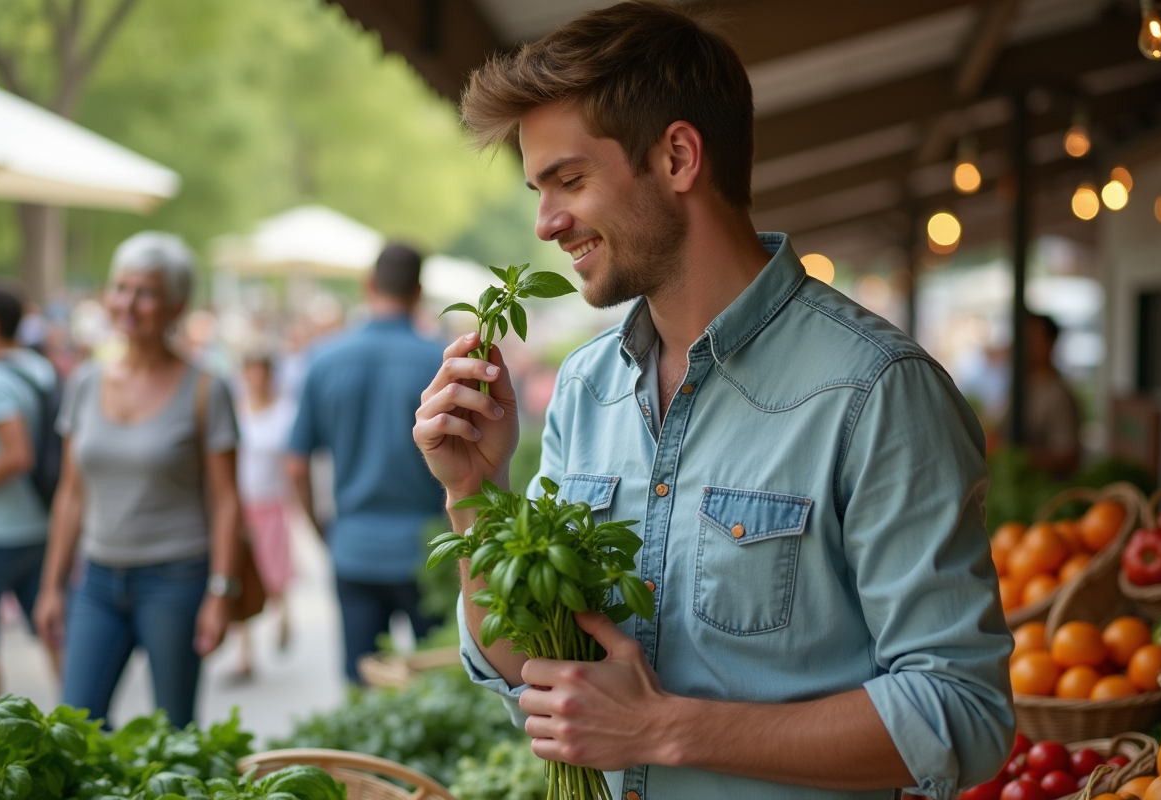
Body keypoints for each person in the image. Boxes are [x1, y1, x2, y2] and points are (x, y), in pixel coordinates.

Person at [412, 3, 1015, 799]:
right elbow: (532, 665)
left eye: (570, 179)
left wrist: (666, 727)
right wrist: (473, 494)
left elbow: (962, 712)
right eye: (539, 188)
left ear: (678, 157)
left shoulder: (877, 392)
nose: (548, 222)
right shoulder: (587, 389)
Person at [33, 232, 242, 729]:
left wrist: (219, 592)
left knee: (174, 734)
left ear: (175, 305)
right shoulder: (84, 382)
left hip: (177, 579)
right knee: (75, 727)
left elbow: (226, 500)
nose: (128, 303)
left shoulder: (206, 390)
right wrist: (51, 586)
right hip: (98, 581)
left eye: (145, 292)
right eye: (121, 288)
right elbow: (71, 491)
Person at [287, 243, 445, 684]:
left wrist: (323, 530)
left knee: (362, 688)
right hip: (428, 550)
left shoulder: (323, 359)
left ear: (369, 285)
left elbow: (296, 465)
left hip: (354, 546)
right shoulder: (442, 361)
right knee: (437, 684)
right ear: (417, 292)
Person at [0, 286, 57, 695]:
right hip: (44, 523)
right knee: (51, 631)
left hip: (4, 532)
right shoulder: (40, 368)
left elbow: (19, 455)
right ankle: (80, 721)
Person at [232, 350, 297, 680]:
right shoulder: (235, 409)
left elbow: (292, 461)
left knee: (273, 571)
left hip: (272, 502)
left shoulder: (284, 412)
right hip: (240, 504)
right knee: (240, 573)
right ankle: (245, 652)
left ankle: (283, 615)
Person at [1022, 314, 1081, 478]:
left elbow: (1068, 456)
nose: (1026, 346)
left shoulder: (1058, 395)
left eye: (1032, 340)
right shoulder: (1025, 384)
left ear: (1049, 344)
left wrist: (1020, 456)